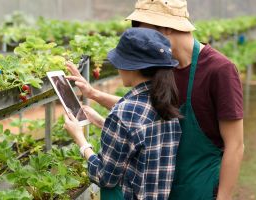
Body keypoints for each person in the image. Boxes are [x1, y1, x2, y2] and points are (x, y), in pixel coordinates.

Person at [67, 0, 244, 199]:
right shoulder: (163, 68)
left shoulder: (219, 70)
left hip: (198, 187)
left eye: (142, 29)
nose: (141, 37)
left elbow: (235, 144)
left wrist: (224, 197)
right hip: (162, 187)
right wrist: (94, 94)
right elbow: (146, 111)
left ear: (166, 28)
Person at [64, 27, 182, 200]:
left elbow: (105, 177)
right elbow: (138, 140)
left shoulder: (124, 113)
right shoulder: (167, 103)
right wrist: (102, 120)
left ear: (132, 67)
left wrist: (81, 141)